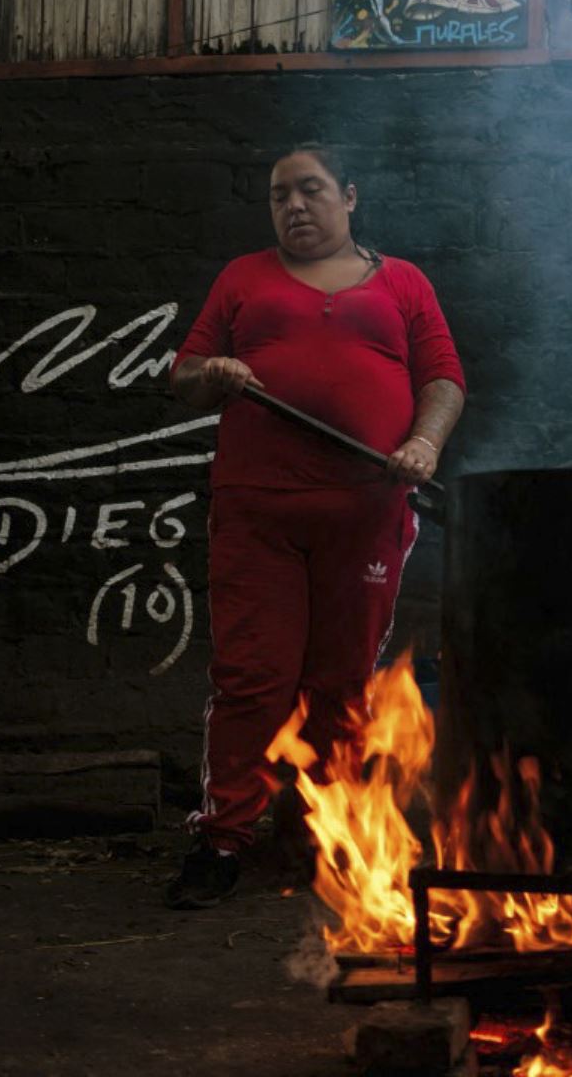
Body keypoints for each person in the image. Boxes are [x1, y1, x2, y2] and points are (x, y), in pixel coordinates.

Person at [163, 145, 465, 909]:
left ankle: (321, 836)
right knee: (252, 681)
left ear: (350, 196)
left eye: (310, 190)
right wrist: (215, 374)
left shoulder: (403, 283)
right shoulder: (243, 278)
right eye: (278, 196)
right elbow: (182, 379)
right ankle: (224, 837)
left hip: (366, 516)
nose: (293, 206)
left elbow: (443, 380)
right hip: (257, 514)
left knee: (340, 685)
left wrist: (424, 442)